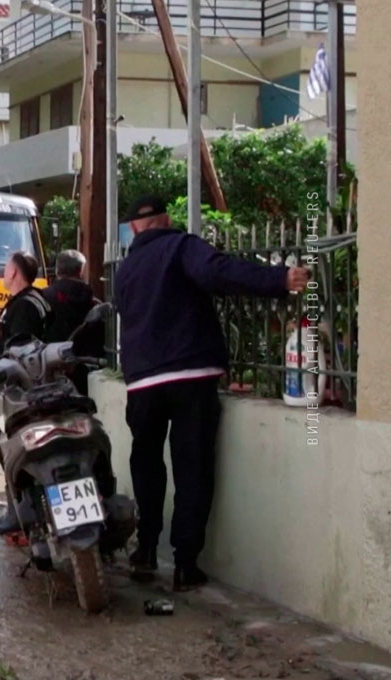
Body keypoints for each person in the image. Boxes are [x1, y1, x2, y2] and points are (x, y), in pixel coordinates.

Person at [115, 195, 308, 591]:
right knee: (193, 469)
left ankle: (146, 549)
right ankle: (186, 565)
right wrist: (278, 279)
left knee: (146, 465)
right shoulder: (182, 245)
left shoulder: (125, 270)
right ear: (166, 220)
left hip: (143, 382)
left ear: (133, 228)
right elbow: (219, 272)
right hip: (190, 374)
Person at [0, 251, 51, 535]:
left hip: (17, 391)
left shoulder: (22, 306)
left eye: (6, 268)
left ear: (14, 274)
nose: (2, 273)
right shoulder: (36, 300)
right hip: (38, 387)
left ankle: (18, 514)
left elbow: (16, 346)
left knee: (7, 445)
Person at [42, 249, 101, 395]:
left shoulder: (43, 299)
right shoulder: (95, 305)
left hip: (51, 370)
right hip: (86, 373)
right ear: (81, 271)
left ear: (57, 271)